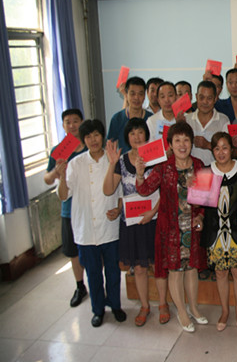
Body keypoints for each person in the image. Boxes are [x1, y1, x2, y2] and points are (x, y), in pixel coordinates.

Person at [135, 122, 208, 332]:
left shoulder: (199, 165)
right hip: (171, 230)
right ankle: (182, 312)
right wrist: (140, 173)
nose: (182, 144)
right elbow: (145, 189)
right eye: (177, 140)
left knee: (191, 269)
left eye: (186, 140)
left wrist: (201, 216)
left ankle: (194, 308)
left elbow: (204, 198)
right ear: (170, 144)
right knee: (175, 271)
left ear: (191, 143)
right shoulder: (163, 167)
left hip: (191, 227)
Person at [57, 119, 126, 328]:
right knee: (93, 273)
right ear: (83, 139)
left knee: (113, 271)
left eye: (96, 134)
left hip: (109, 226)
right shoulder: (76, 163)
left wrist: (119, 209)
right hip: (85, 228)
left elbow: (122, 192)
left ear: (102, 136)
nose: (93, 140)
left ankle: (115, 305)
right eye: (88, 136)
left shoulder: (113, 159)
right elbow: (63, 195)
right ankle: (98, 310)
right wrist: (61, 177)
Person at [103, 118, 168, 327]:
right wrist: (111, 163)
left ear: (146, 134)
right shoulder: (121, 161)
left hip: (154, 218)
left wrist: (153, 212)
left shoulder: (156, 157)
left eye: (140, 132)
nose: (137, 137)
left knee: (158, 265)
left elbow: (165, 190)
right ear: (127, 137)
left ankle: (163, 304)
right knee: (139, 268)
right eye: (132, 133)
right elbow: (108, 190)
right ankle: (145, 306)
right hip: (131, 221)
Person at [200, 132, 237, 331]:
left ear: (232, 149)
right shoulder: (206, 171)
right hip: (215, 232)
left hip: (236, 231)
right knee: (220, 273)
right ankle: (225, 311)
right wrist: (199, 218)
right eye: (217, 148)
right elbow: (200, 205)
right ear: (212, 151)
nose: (221, 152)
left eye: (225, 148)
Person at [44, 108, 87, 308]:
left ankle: (98, 284)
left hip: (89, 207)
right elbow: (47, 178)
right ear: (63, 126)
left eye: (75, 121)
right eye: (68, 122)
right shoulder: (59, 151)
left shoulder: (90, 144)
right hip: (69, 209)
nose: (72, 125)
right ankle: (80, 286)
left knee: (93, 249)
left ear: (82, 122)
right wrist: (56, 172)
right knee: (73, 251)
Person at [185, 80, 230, 167]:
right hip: (191, 170)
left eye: (209, 98)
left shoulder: (223, 120)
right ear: (196, 97)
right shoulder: (187, 120)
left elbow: (227, 150)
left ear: (215, 99)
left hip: (216, 169)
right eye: (201, 97)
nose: (205, 102)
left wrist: (208, 145)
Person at [107, 76, 152, 150]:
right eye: (132, 94)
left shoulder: (151, 119)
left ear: (144, 96)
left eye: (140, 94)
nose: (136, 97)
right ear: (126, 95)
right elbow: (110, 146)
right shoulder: (117, 119)